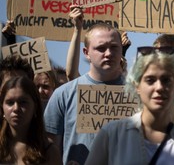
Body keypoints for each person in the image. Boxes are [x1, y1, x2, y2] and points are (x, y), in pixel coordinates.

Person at [86, 47, 174, 165]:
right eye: (150, 80)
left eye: (166, 80)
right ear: (137, 85)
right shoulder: (112, 135)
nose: (159, 87)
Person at [44, 23, 124, 165]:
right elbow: (50, 144)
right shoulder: (64, 94)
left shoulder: (139, 95)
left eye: (114, 47)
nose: (109, 53)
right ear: (86, 53)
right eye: (101, 48)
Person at [0, 76, 60, 164]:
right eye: (10, 103)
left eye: (23, 102)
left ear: (35, 106)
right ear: (2, 108)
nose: (16, 108)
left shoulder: (49, 151)